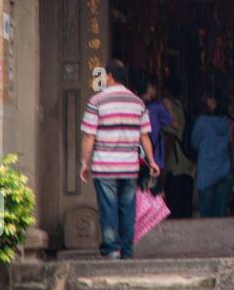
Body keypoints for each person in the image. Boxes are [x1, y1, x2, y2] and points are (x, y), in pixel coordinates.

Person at [79, 59, 160, 259]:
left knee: (108, 208)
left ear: (110, 76)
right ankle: (127, 249)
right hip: (129, 166)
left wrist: (84, 162)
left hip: (104, 165)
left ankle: (111, 248)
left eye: (105, 75)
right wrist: (152, 160)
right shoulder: (137, 102)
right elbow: (144, 135)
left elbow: (89, 135)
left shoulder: (97, 101)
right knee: (127, 210)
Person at [191, 92, 234, 218]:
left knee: (206, 216)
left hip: (206, 173)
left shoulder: (202, 122)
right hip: (224, 169)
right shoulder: (227, 122)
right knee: (220, 213)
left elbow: (194, 143)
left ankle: (208, 238)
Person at [162, 77, 195, 218]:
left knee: (175, 207)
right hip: (186, 164)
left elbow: (172, 127)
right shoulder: (182, 107)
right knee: (184, 205)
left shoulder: (173, 108)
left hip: (176, 165)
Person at [140, 75, 174, 195]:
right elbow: (170, 121)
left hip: (136, 157)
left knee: (139, 193)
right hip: (155, 155)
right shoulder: (157, 107)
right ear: (149, 87)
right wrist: (169, 108)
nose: (156, 91)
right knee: (153, 193)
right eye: (155, 88)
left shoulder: (134, 104)